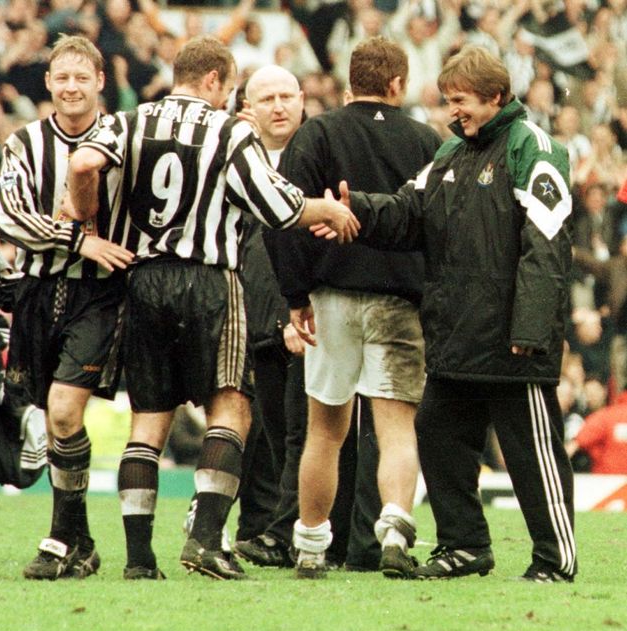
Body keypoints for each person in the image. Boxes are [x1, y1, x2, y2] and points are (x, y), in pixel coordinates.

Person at [67, 35, 359, 581]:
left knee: (148, 421)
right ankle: (205, 541)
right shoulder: (229, 131)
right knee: (230, 408)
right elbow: (275, 207)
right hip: (209, 279)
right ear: (213, 81)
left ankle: (138, 557)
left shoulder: (128, 122)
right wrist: (328, 210)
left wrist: (87, 221)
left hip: (142, 278)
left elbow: (82, 164)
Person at [336, 45, 577, 582]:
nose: (453, 111)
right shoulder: (449, 155)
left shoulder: (534, 150)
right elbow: (406, 213)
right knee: (438, 432)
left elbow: (548, 246)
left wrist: (532, 328)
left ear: (496, 96)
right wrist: (356, 210)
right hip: (457, 336)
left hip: (515, 338)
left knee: (531, 452)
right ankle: (465, 546)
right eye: (447, 101)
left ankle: (554, 558)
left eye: (461, 100)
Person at [268, 37, 441, 579]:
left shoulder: (316, 133)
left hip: (331, 297)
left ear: (350, 83)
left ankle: (312, 544)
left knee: (325, 431)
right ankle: (393, 531)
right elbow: (438, 229)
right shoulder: (426, 141)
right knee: (395, 429)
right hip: (398, 301)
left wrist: (296, 297)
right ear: (397, 85)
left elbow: (284, 217)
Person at [0, 35, 136, 581]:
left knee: (62, 410)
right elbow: (10, 218)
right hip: (37, 292)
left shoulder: (124, 139)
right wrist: (76, 239)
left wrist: (78, 239)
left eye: (82, 77)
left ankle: (57, 541)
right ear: (49, 84)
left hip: (100, 294)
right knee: (52, 418)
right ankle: (82, 542)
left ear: (101, 82)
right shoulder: (25, 142)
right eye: (62, 78)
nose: (71, 87)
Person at [232, 65, 307, 566]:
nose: (278, 106)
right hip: (242, 319)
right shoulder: (231, 161)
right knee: (257, 434)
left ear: (302, 101)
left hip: (301, 322)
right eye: (267, 98)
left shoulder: (317, 157)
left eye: (286, 96)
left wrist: (288, 315)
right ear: (246, 109)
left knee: (299, 433)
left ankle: (291, 533)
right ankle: (259, 529)